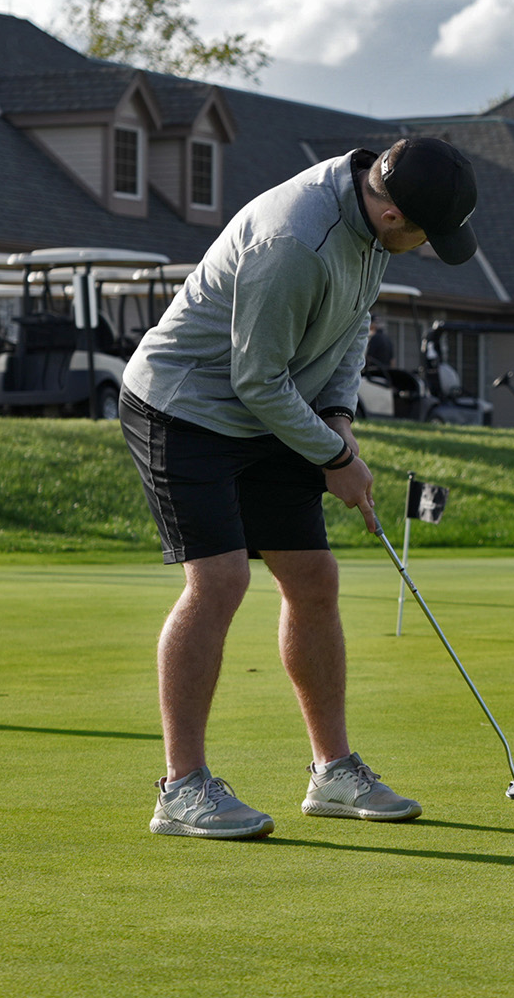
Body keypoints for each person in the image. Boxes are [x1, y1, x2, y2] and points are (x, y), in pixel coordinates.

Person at [120, 137, 479, 840]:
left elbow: (352, 329)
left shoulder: (374, 225)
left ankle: (333, 773)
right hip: (185, 406)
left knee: (314, 577)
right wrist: (333, 458)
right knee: (219, 580)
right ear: (393, 214)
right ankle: (181, 789)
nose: (426, 248)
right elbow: (255, 378)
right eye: (426, 236)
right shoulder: (295, 241)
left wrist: (338, 420)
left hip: (273, 405)